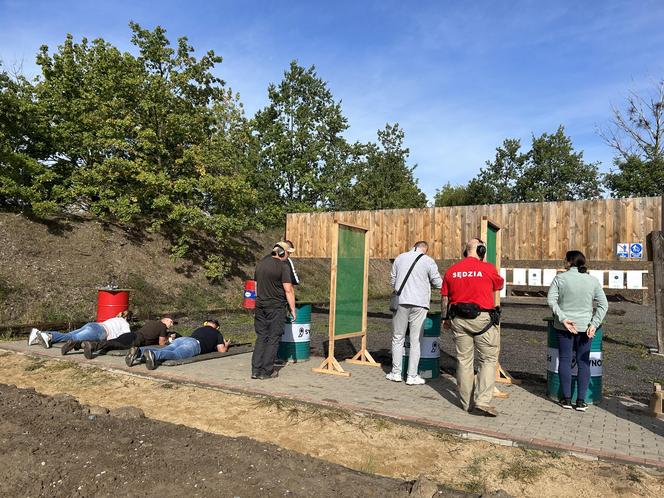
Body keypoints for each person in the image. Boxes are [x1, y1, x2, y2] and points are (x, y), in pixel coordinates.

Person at [441, 238, 504, 417]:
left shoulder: (452, 270)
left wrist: (445, 318)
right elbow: (498, 285)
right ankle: (482, 402)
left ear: (465, 251)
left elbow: (445, 298)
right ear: (482, 250)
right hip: (483, 320)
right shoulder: (487, 268)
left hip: (458, 320)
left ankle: (466, 403)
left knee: (464, 361)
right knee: (488, 360)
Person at [547, 250, 608, 412]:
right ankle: (581, 401)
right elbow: (604, 305)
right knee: (584, 363)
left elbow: (551, 300)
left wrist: (562, 318)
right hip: (586, 328)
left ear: (568, 262)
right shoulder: (592, 281)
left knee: (565, 360)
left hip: (564, 326)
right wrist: (594, 323)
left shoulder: (559, 279)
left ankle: (566, 399)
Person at [387, 241, 442, 385]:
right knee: (416, 340)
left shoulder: (400, 258)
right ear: (425, 249)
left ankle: (396, 373)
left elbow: (393, 280)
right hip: (420, 304)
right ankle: (412, 376)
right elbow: (438, 283)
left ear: (413, 246)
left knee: (397, 337)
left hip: (401, 301)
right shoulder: (428, 261)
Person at [251, 241, 296, 380]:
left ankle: (255, 370)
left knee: (261, 337)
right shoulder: (283, 266)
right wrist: (293, 309)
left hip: (260, 306)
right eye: (288, 253)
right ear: (282, 252)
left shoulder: (261, 264)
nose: (288, 256)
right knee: (273, 338)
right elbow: (288, 290)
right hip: (275, 307)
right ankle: (267, 371)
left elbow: (255, 286)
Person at [125, 319, 229, 370]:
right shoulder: (217, 333)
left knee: (169, 349)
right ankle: (154, 355)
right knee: (176, 355)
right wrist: (226, 344)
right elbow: (221, 350)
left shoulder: (199, 329)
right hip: (194, 344)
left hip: (183, 339)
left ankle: (139, 352)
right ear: (217, 327)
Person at [28, 311, 132, 355]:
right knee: (71, 337)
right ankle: (49, 336)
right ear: (128, 318)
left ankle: (38, 333)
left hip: (93, 325)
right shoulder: (125, 323)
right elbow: (128, 337)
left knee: (70, 334)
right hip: (100, 332)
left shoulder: (114, 318)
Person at [80, 316, 177, 359]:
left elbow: (152, 335)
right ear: (165, 320)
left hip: (133, 334)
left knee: (113, 342)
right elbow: (161, 343)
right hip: (137, 339)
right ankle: (92, 345)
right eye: (171, 322)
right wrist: (169, 340)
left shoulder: (152, 322)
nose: (171, 324)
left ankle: (85, 345)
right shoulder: (162, 326)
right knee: (115, 344)